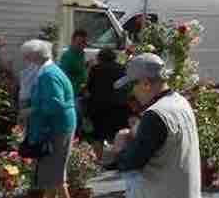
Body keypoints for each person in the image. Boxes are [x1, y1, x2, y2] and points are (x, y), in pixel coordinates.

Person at [103, 53, 201, 198]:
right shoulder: (181, 102)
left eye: (132, 85)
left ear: (146, 84)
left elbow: (131, 162)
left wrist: (119, 147)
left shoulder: (155, 114)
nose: (132, 93)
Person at [23, 39, 76, 198]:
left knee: (55, 175)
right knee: (56, 174)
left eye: (26, 56)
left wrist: (31, 110)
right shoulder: (52, 70)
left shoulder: (48, 74)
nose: (25, 60)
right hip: (61, 125)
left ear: (35, 56)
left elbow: (55, 104)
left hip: (57, 127)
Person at [86, 48, 130, 158]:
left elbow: (89, 88)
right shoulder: (122, 68)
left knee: (98, 136)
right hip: (120, 108)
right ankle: (118, 160)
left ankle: (98, 159)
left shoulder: (95, 69)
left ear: (100, 58)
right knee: (118, 136)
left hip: (99, 108)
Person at [58, 29, 88, 137]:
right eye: (79, 43)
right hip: (72, 94)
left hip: (81, 93)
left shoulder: (82, 55)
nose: (82, 45)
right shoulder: (68, 56)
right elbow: (63, 76)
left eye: (84, 43)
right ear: (72, 41)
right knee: (75, 120)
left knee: (82, 120)